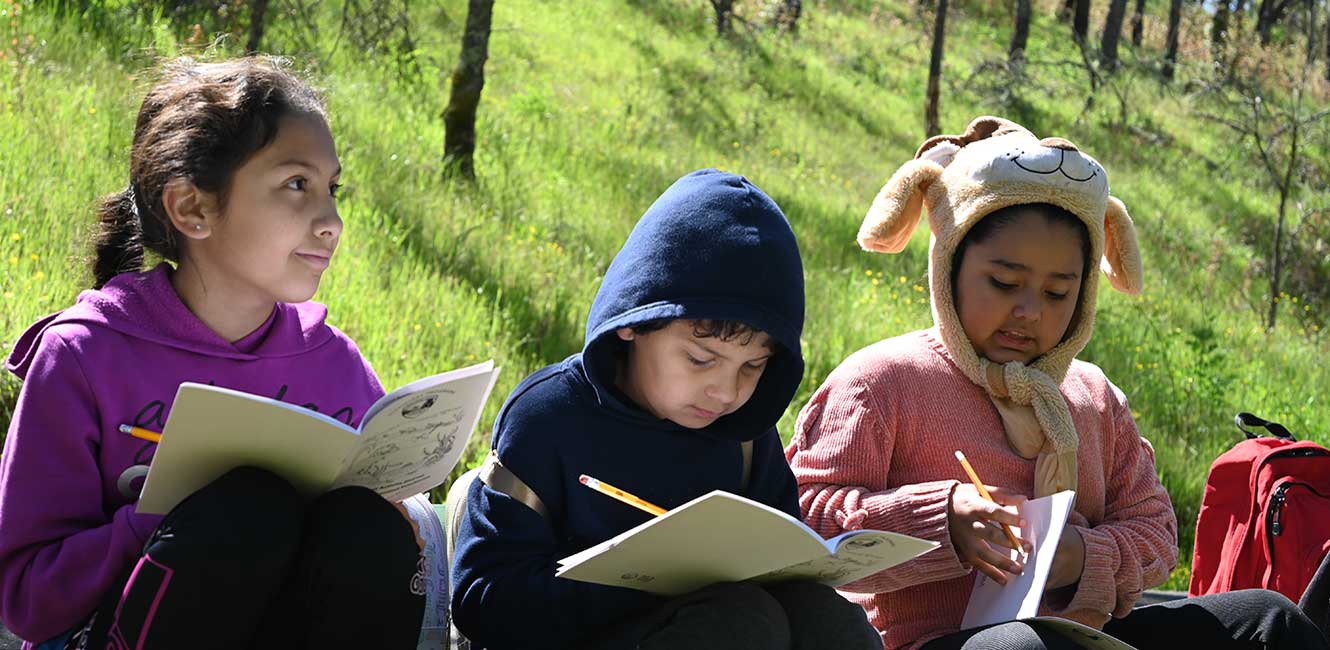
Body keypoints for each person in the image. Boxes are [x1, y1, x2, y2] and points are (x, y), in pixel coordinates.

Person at [785, 116, 1328, 650]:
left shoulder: (1093, 398)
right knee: (1024, 645)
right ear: (948, 265)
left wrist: (1079, 558)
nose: (1027, 311)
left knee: (1267, 620)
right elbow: (803, 520)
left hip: (1087, 637)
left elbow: (1155, 532)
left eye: (1056, 293)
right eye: (1004, 282)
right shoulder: (881, 383)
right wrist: (941, 520)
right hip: (934, 643)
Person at [0, 56, 441, 650]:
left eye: (332, 189)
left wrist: (399, 524)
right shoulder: (84, 355)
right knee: (246, 514)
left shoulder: (337, 365)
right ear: (193, 209)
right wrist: (165, 523)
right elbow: (26, 598)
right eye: (296, 185)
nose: (331, 220)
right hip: (107, 631)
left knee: (368, 531)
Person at [450, 169, 882, 650]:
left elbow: (781, 566)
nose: (724, 392)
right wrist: (640, 579)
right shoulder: (549, 418)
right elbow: (480, 600)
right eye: (701, 359)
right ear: (633, 323)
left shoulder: (742, 433)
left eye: (753, 366)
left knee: (828, 618)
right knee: (739, 622)